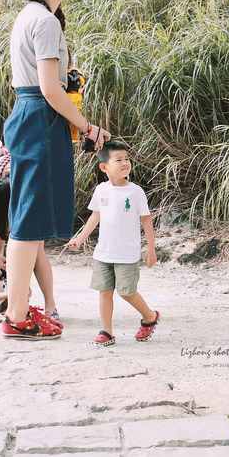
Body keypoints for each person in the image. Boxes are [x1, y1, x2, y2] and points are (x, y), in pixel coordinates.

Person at [1, 0, 110, 339]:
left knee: (26, 219)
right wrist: (87, 127)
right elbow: (50, 88)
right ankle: (17, 316)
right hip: (40, 117)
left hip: (28, 114)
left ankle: (17, 309)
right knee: (28, 222)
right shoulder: (45, 21)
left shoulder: (29, 16)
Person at [65, 140, 159, 345]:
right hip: (103, 253)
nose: (125, 163)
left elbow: (146, 219)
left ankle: (150, 316)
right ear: (104, 167)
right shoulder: (101, 190)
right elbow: (95, 217)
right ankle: (106, 331)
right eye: (118, 160)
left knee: (127, 292)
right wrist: (79, 239)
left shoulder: (135, 191)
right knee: (104, 292)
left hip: (127, 254)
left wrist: (151, 248)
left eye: (127, 159)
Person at [0, 143, 59, 321]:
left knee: (37, 250)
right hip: (6, 195)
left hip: (30, 200)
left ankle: (50, 304)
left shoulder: (34, 184)